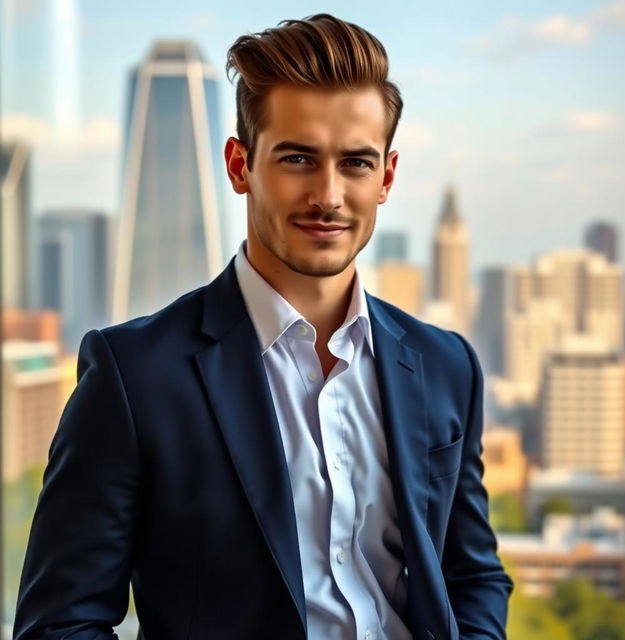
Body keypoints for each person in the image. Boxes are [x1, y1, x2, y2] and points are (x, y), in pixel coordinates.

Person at [14, 13, 512, 640]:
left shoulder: (445, 365)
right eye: (298, 158)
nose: (328, 195)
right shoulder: (135, 375)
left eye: (355, 163)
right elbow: (60, 623)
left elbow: (472, 578)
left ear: (385, 177)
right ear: (239, 165)